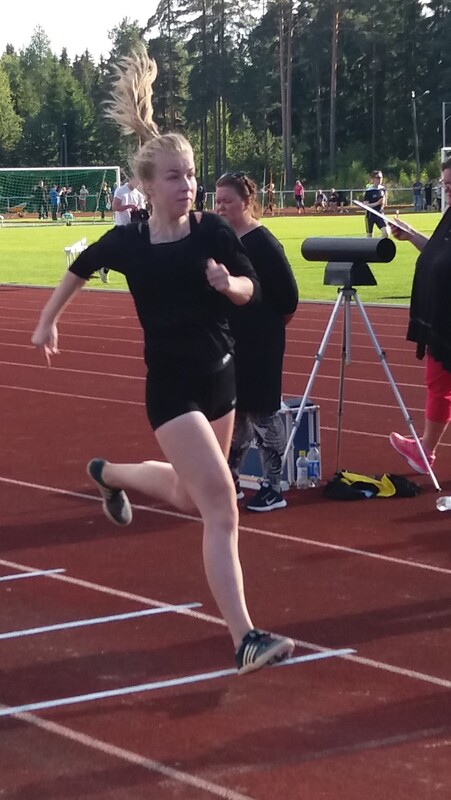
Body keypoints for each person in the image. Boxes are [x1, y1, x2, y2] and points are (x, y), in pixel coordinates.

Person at [31, 44, 294, 675]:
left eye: (192, 175)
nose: (188, 186)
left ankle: (111, 474)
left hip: (222, 379)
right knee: (223, 504)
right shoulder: (130, 243)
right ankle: (245, 638)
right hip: (172, 392)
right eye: (174, 176)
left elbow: (254, 288)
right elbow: (79, 267)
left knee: (187, 494)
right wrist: (46, 321)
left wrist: (229, 284)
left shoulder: (213, 233)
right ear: (147, 185)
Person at [215, 172, 299, 511]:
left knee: (264, 414)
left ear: (247, 202)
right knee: (235, 413)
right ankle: (231, 481)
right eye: (217, 201)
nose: (220, 207)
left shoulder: (264, 243)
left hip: (261, 342)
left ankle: (273, 488)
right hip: (231, 341)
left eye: (227, 201)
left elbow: (288, 299)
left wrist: (265, 329)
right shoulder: (222, 240)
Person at [389, 157, 451, 473]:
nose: (447, 190)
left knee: (440, 384)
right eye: (445, 184)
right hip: (441, 317)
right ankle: (425, 451)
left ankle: (425, 451)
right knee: (438, 383)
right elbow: (439, 255)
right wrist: (411, 234)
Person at [98, 177, 147, 283]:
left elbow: (142, 211)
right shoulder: (121, 191)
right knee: (120, 253)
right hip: (121, 226)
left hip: (133, 228)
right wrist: (129, 206)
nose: (138, 183)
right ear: (131, 178)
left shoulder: (139, 195)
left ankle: (105, 267)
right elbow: (115, 207)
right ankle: (104, 267)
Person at [363, 170, 389, 238]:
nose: (380, 179)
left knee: (386, 233)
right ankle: (372, 244)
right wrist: (377, 203)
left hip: (379, 214)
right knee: (369, 236)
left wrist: (383, 205)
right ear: (373, 179)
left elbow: (384, 200)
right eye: (378, 177)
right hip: (370, 215)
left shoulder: (382, 189)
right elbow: (365, 205)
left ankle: (377, 243)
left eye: (381, 177)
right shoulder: (369, 191)